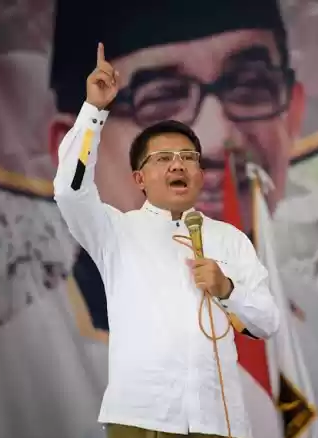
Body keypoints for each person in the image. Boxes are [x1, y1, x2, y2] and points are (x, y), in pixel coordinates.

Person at [53, 42, 280, 438]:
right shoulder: (116, 234)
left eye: (187, 158)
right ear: (139, 178)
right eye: (163, 159)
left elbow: (266, 321)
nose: (178, 165)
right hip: (144, 421)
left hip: (220, 422)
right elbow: (70, 192)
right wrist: (94, 112)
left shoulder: (229, 239)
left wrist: (227, 289)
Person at [49, 0, 304, 335]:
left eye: (249, 86)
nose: (218, 138)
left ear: (293, 115)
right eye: (161, 99)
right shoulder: (31, 361)